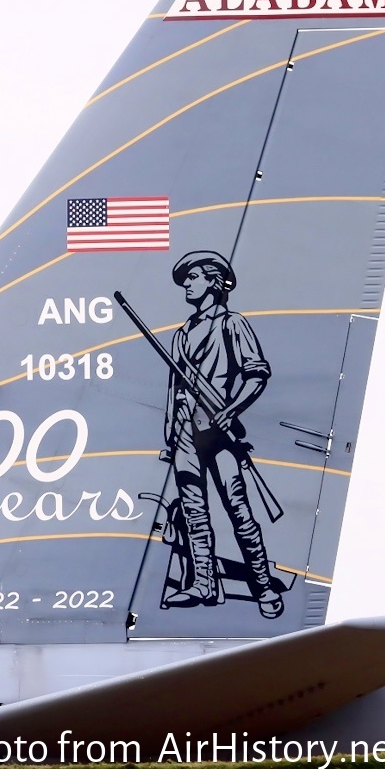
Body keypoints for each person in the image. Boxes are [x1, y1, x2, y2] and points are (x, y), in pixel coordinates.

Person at [163, 250, 284, 619]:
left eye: (195, 276)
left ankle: (262, 586)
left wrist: (231, 411)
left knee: (238, 511)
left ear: (214, 282)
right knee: (193, 512)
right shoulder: (181, 335)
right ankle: (203, 584)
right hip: (186, 432)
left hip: (218, 431)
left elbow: (256, 373)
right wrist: (170, 432)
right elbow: (173, 387)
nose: (187, 283)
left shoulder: (232, 324)